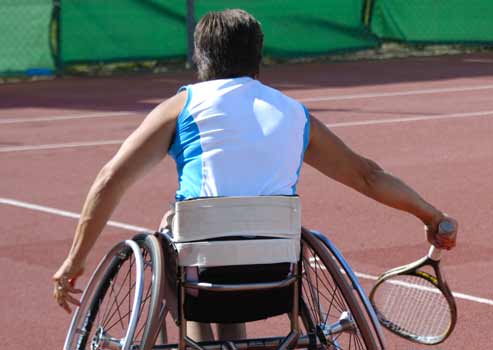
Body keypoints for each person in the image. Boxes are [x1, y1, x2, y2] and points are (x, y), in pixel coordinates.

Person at [52, 8, 458, 341]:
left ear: (201, 58)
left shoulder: (183, 107)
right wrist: (430, 215)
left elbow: (110, 180)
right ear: (259, 57)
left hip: (203, 275)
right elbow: (367, 175)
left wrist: (74, 260)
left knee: (176, 235)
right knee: (219, 244)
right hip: (277, 278)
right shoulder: (293, 113)